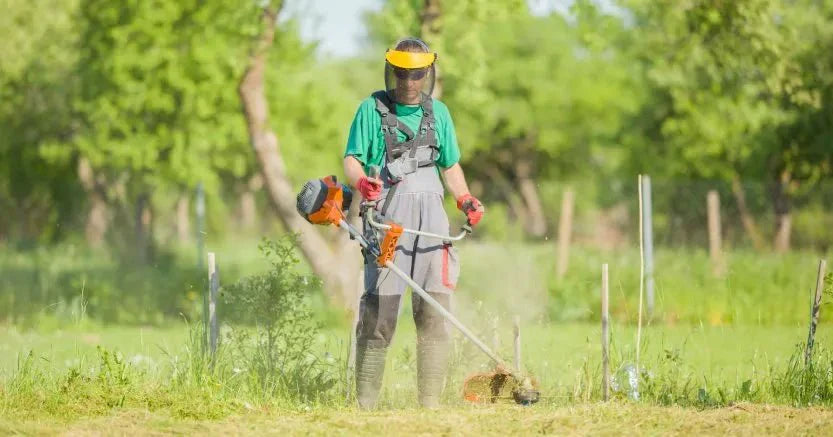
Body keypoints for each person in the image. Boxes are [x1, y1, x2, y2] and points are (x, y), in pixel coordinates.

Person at [342, 37, 485, 409]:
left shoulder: (440, 113)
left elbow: (449, 165)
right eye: (403, 75)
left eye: (416, 75)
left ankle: (430, 404)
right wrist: (361, 181)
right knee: (379, 315)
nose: (408, 83)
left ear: (428, 74)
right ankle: (366, 405)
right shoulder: (370, 110)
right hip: (388, 224)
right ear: (392, 72)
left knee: (435, 313)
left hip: (433, 226)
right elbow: (352, 159)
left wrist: (465, 198)